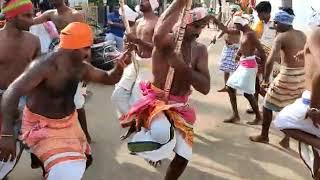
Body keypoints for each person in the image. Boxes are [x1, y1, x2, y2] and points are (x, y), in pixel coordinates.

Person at [0, 22, 131, 179]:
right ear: (73, 48)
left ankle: (45, 162)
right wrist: (6, 133)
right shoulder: (44, 66)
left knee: (84, 160)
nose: (88, 54)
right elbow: (11, 93)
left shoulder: (81, 67)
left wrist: (120, 67)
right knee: (68, 171)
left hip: (68, 123)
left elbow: (109, 78)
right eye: (86, 48)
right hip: (41, 125)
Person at [119, 3, 210, 180]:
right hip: (158, 103)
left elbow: (205, 88)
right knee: (162, 136)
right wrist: (180, 2)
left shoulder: (200, 50)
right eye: (196, 26)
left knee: (183, 157)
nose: (199, 32)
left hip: (181, 106)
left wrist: (183, 67)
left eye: (202, 27)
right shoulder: (166, 42)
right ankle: (145, 139)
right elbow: (159, 32)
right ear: (183, 22)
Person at [33, 0, 92, 143]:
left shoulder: (75, 15)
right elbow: (30, 21)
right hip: (59, 61)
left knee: (77, 102)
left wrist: (87, 66)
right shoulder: (50, 14)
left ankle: (86, 135)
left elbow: (87, 40)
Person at [249, 8, 306, 148]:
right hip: (301, 76)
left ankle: (264, 135)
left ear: (284, 22)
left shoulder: (281, 37)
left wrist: (265, 79)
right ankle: (286, 139)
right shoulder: (302, 34)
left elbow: (270, 59)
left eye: (276, 22)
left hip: (288, 76)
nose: (274, 24)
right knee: (291, 107)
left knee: (267, 104)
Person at [273, 21, 320, 179]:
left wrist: (314, 108)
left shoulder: (316, 33)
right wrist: (306, 52)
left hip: (313, 100)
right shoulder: (309, 37)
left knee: (282, 121)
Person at [0, 0, 41, 178]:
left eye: (32, 15)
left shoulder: (34, 41)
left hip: (23, 101)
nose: (32, 20)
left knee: (14, 149)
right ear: (11, 17)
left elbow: (39, 75)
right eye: (27, 16)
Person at [211, 14, 265, 123]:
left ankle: (258, 117)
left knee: (247, 92)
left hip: (249, 66)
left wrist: (263, 70)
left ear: (240, 24)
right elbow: (226, 30)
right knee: (231, 87)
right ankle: (236, 116)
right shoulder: (242, 32)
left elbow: (262, 52)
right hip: (243, 64)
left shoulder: (251, 34)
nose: (235, 27)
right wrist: (239, 54)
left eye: (236, 25)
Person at [111, 0, 158, 121]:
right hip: (136, 62)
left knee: (138, 101)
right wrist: (126, 52)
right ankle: (135, 121)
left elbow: (160, 50)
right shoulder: (138, 22)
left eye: (145, 0)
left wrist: (138, 41)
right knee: (118, 96)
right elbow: (134, 45)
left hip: (150, 65)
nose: (141, 2)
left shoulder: (158, 23)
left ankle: (143, 125)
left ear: (154, 2)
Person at [246, 1, 276, 115]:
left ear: (266, 12)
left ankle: (267, 105)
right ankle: (253, 105)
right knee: (255, 81)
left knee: (267, 82)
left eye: (259, 13)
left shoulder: (276, 24)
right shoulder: (259, 24)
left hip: (269, 58)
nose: (258, 16)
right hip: (257, 56)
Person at [212, 4, 241, 92]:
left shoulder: (239, 21)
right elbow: (223, 30)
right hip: (227, 47)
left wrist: (224, 28)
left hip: (234, 48)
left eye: (234, 10)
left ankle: (233, 88)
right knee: (225, 68)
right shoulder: (229, 19)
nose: (232, 12)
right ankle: (226, 86)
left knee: (234, 68)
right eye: (231, 10)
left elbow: (234, 31)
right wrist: (216, 37)